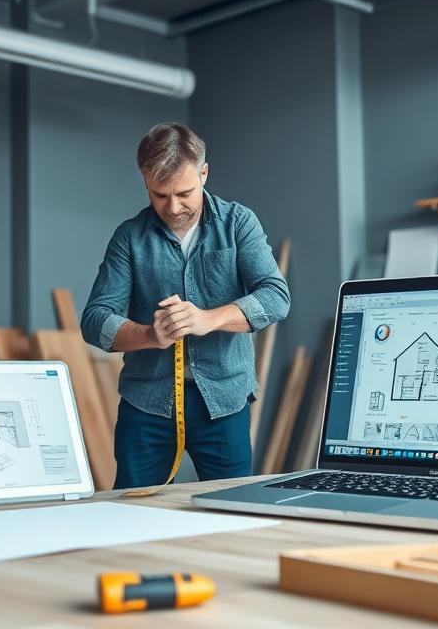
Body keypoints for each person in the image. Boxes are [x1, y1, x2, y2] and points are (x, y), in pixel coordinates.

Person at [81, 123, 290, 489]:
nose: (173, 207)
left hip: (224, 400)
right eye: (159, 195)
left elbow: (275, 297)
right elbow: (95, 321)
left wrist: (209, 319)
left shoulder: (239, 223)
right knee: (133, 514)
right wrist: (149, 334)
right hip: (147, 404)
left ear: (204, 173)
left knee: (233, 510)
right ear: (145, 182)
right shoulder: (129, 237)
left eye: (184, 193)